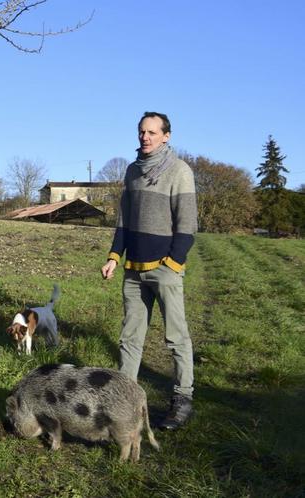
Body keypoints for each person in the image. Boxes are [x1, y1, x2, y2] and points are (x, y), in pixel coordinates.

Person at [101, 111, 198, 430]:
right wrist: (115, 256)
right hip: (133, 270)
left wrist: (172, 264)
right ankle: (124, 402)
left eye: (152, 132)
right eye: (142, 132)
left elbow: (187, 226)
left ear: (166, 136)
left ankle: (182, 399)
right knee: (130, 338)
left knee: (176, 336)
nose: (145, 137)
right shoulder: (131, 171)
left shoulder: (180, 171)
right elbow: (124, 221)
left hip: (165, 270)